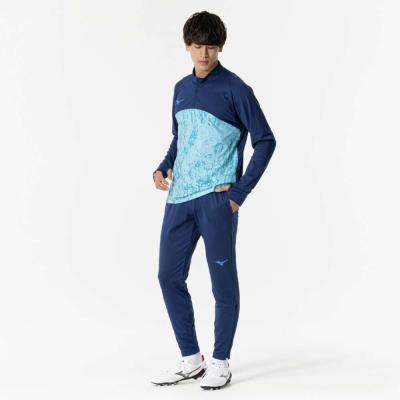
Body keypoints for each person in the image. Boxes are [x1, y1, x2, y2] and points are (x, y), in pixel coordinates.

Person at [150, 10, 276, 390]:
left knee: (222, 283)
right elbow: (181, 138)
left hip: (217, 201)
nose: (203, 54)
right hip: (179, 198)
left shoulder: (236, 89)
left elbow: (265, 140)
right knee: (168, 275)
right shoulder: (180, 88)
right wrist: (163, 166)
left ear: (220, 47)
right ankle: (191, 359)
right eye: (197, 46)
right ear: (187, 46)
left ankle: (220, 361)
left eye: (210, 46)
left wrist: (239, 193)